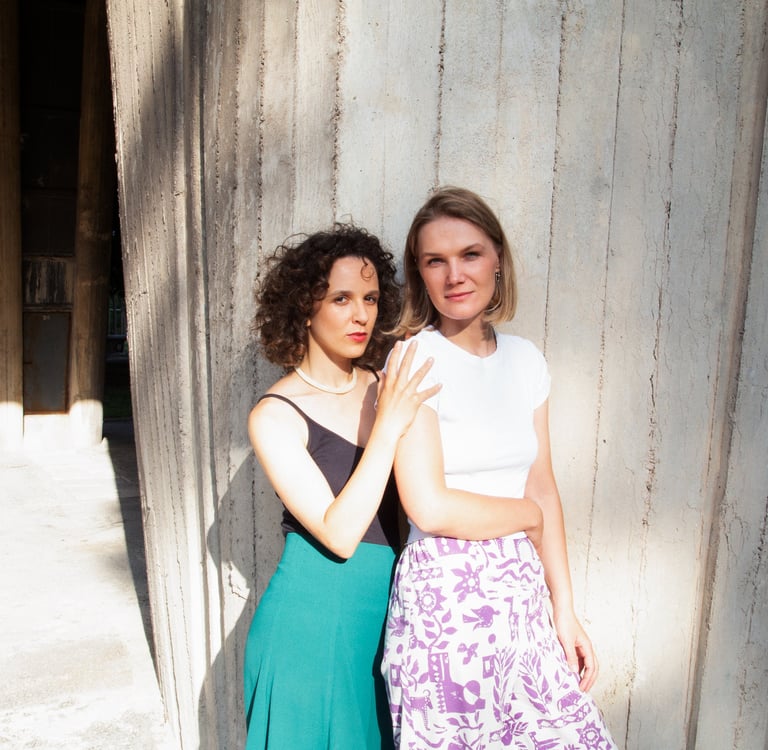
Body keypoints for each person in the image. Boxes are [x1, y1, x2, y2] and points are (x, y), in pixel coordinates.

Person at [381, 188, 617, 748]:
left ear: (498, 260)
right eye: (435, 261)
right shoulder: (414, 358)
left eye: (470, 254)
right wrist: (527, 517)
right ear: (419, 274)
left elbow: (544, 487)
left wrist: (565, 611)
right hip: (446, 599)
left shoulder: (527, 360)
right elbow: (429, 507)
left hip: (523, 594)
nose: (454, 275)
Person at [243, 223, 439, 750]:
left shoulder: (386, 385)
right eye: (341, 298)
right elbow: (340, 533)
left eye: (370, 299)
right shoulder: (274, 415)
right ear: (304, 307)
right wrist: (389, 425)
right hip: (312, 623)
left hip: (393, 614)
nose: (361, 315)